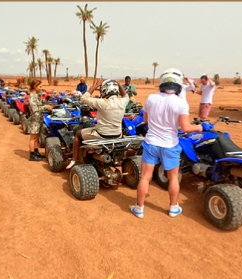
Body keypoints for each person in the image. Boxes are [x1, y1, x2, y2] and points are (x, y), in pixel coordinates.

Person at [130, 68, 203, 219]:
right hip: (170, 145)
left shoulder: (151, 98)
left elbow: (146, 120)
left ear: (162, 83)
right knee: (173, 178)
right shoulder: (181, 103)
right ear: (178, 85)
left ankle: (139, 208)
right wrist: (199, 127)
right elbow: (185, 128)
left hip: (151, 143)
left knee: (145, 177)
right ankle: (173, 208)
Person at [66, 78, 129, 169]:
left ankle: (74, 160)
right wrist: (119, 84)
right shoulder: (122, 102)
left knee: (78, 134)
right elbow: (126, 96)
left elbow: (83, 98)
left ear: (105, 90)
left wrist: (95, 85)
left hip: (102, 135)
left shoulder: (101, 102)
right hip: (117, 135)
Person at [27, 79, 53, 161]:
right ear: (35, 86)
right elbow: (35, 108)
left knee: (37, 137)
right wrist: (45, 107)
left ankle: (36, 152)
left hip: (38, 119)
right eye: (40, 86)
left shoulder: (36, 95)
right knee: (33, 138)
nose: (41, 88)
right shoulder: (32, 96)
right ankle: (32, 155)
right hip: (34, 119)